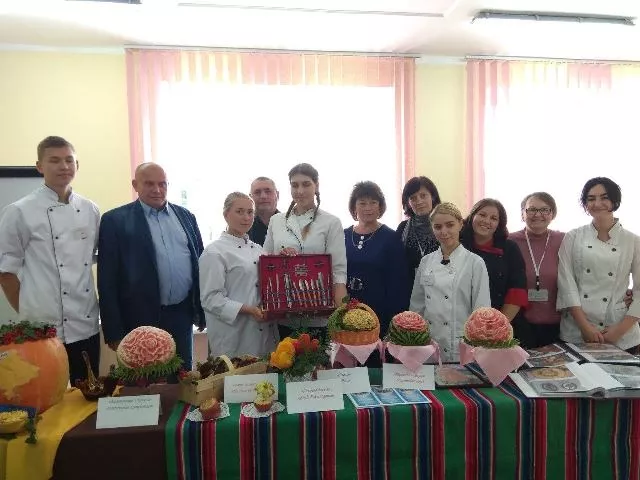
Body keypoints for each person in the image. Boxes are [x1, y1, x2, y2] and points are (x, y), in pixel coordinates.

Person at [0, 136, 100, 383]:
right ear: (39, 166)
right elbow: (6, 272)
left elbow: (93, 260)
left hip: (85, 323)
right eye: (54, 160)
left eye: (69, 160)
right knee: (46, 395)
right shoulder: (19, 211)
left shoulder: (90, 209)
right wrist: (30, 313)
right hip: (42, 329)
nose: (63, 166)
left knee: (88, 393)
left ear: (77, 165)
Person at [97, 162, 204, 370]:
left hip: (181, 316)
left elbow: (199, 265)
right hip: (137, 319)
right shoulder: (115, 221)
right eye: (149, 184)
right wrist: (114, 331)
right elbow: (107, 280)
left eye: (162, 184)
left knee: (182, 378)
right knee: (144, 382)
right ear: (135, 185)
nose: (157, 189)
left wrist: (201, 312)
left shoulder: (186, 217)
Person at [263, 163, 347, 338]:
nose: (300, 191)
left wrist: (340, 314)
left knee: (318, 355)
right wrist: (280, 258)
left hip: (319, 313)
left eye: (306, 184)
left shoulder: (331, 222)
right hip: (283, 312)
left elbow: (338, 271)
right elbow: (266, 262)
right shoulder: (276, 221)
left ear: (317, 186)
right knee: (284, 354)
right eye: (295, 185)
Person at [557, 177, 640, 352]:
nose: (597, 203)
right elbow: (566, 284)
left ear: (615, 201)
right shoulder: (573, 237)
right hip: (576, 330)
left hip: (620, 330)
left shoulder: (633, 241)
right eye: (591, 198)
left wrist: (619, 331)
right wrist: (585, 327)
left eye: (604, 197)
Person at [410, 202, 491, 362]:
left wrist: (478, 343)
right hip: (429, 342)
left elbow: (481, 310)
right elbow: (417, 306)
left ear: (460, 224)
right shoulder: (426, 261)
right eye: (438, 227)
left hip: (461, 343)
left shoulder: (475, 262)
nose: (444, 232)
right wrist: (414, 338)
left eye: (450, 225)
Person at [199, 192, 277, 357]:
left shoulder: (258, 249)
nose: (246, 217)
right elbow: (211, 298)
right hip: (233, 335)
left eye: (250, 212)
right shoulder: (214, 252)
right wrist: (249, 310)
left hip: (264, 333)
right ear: (226, 214)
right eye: (239, 211)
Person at [461, 198, 532, 347]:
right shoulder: (458, 245)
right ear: (472, 216)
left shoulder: (509, 248)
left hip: (502, 324)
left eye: (494, 218)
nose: (487, 221)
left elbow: (517, 292)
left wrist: (496, 329)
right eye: (482, 215)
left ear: (499, 224)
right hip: (462, 323)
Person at [345, 181, 408, 335]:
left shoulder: (391, 237)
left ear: (380, 207)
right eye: (362, 203)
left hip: (380, 313)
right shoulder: (343, 235)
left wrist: (394, 320)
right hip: (347, 311)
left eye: (373, 202)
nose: (368, 208)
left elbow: (399, 282)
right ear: (354, 207)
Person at [509, 192, 565, 347]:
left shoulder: (564, 240)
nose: (538, 214)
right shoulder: (509, 241)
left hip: (559, 325)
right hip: (518, 324)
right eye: (532, 209)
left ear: (552, 214)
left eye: (545, 209)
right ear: (522, 214)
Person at [396, 176, 442, 294]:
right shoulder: (402, 228)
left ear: (433, 197)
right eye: (413, 198)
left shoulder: (446, 225)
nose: (419, 201)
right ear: (408, 203)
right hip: (410, 292)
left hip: (443, 291)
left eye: (423, 195)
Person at [248, 176, 279, 246]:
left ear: (277, 195)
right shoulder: (242, 228)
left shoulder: (291, 224)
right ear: (250, 198)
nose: (263, 196)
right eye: (257, 192)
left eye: (268, 191)